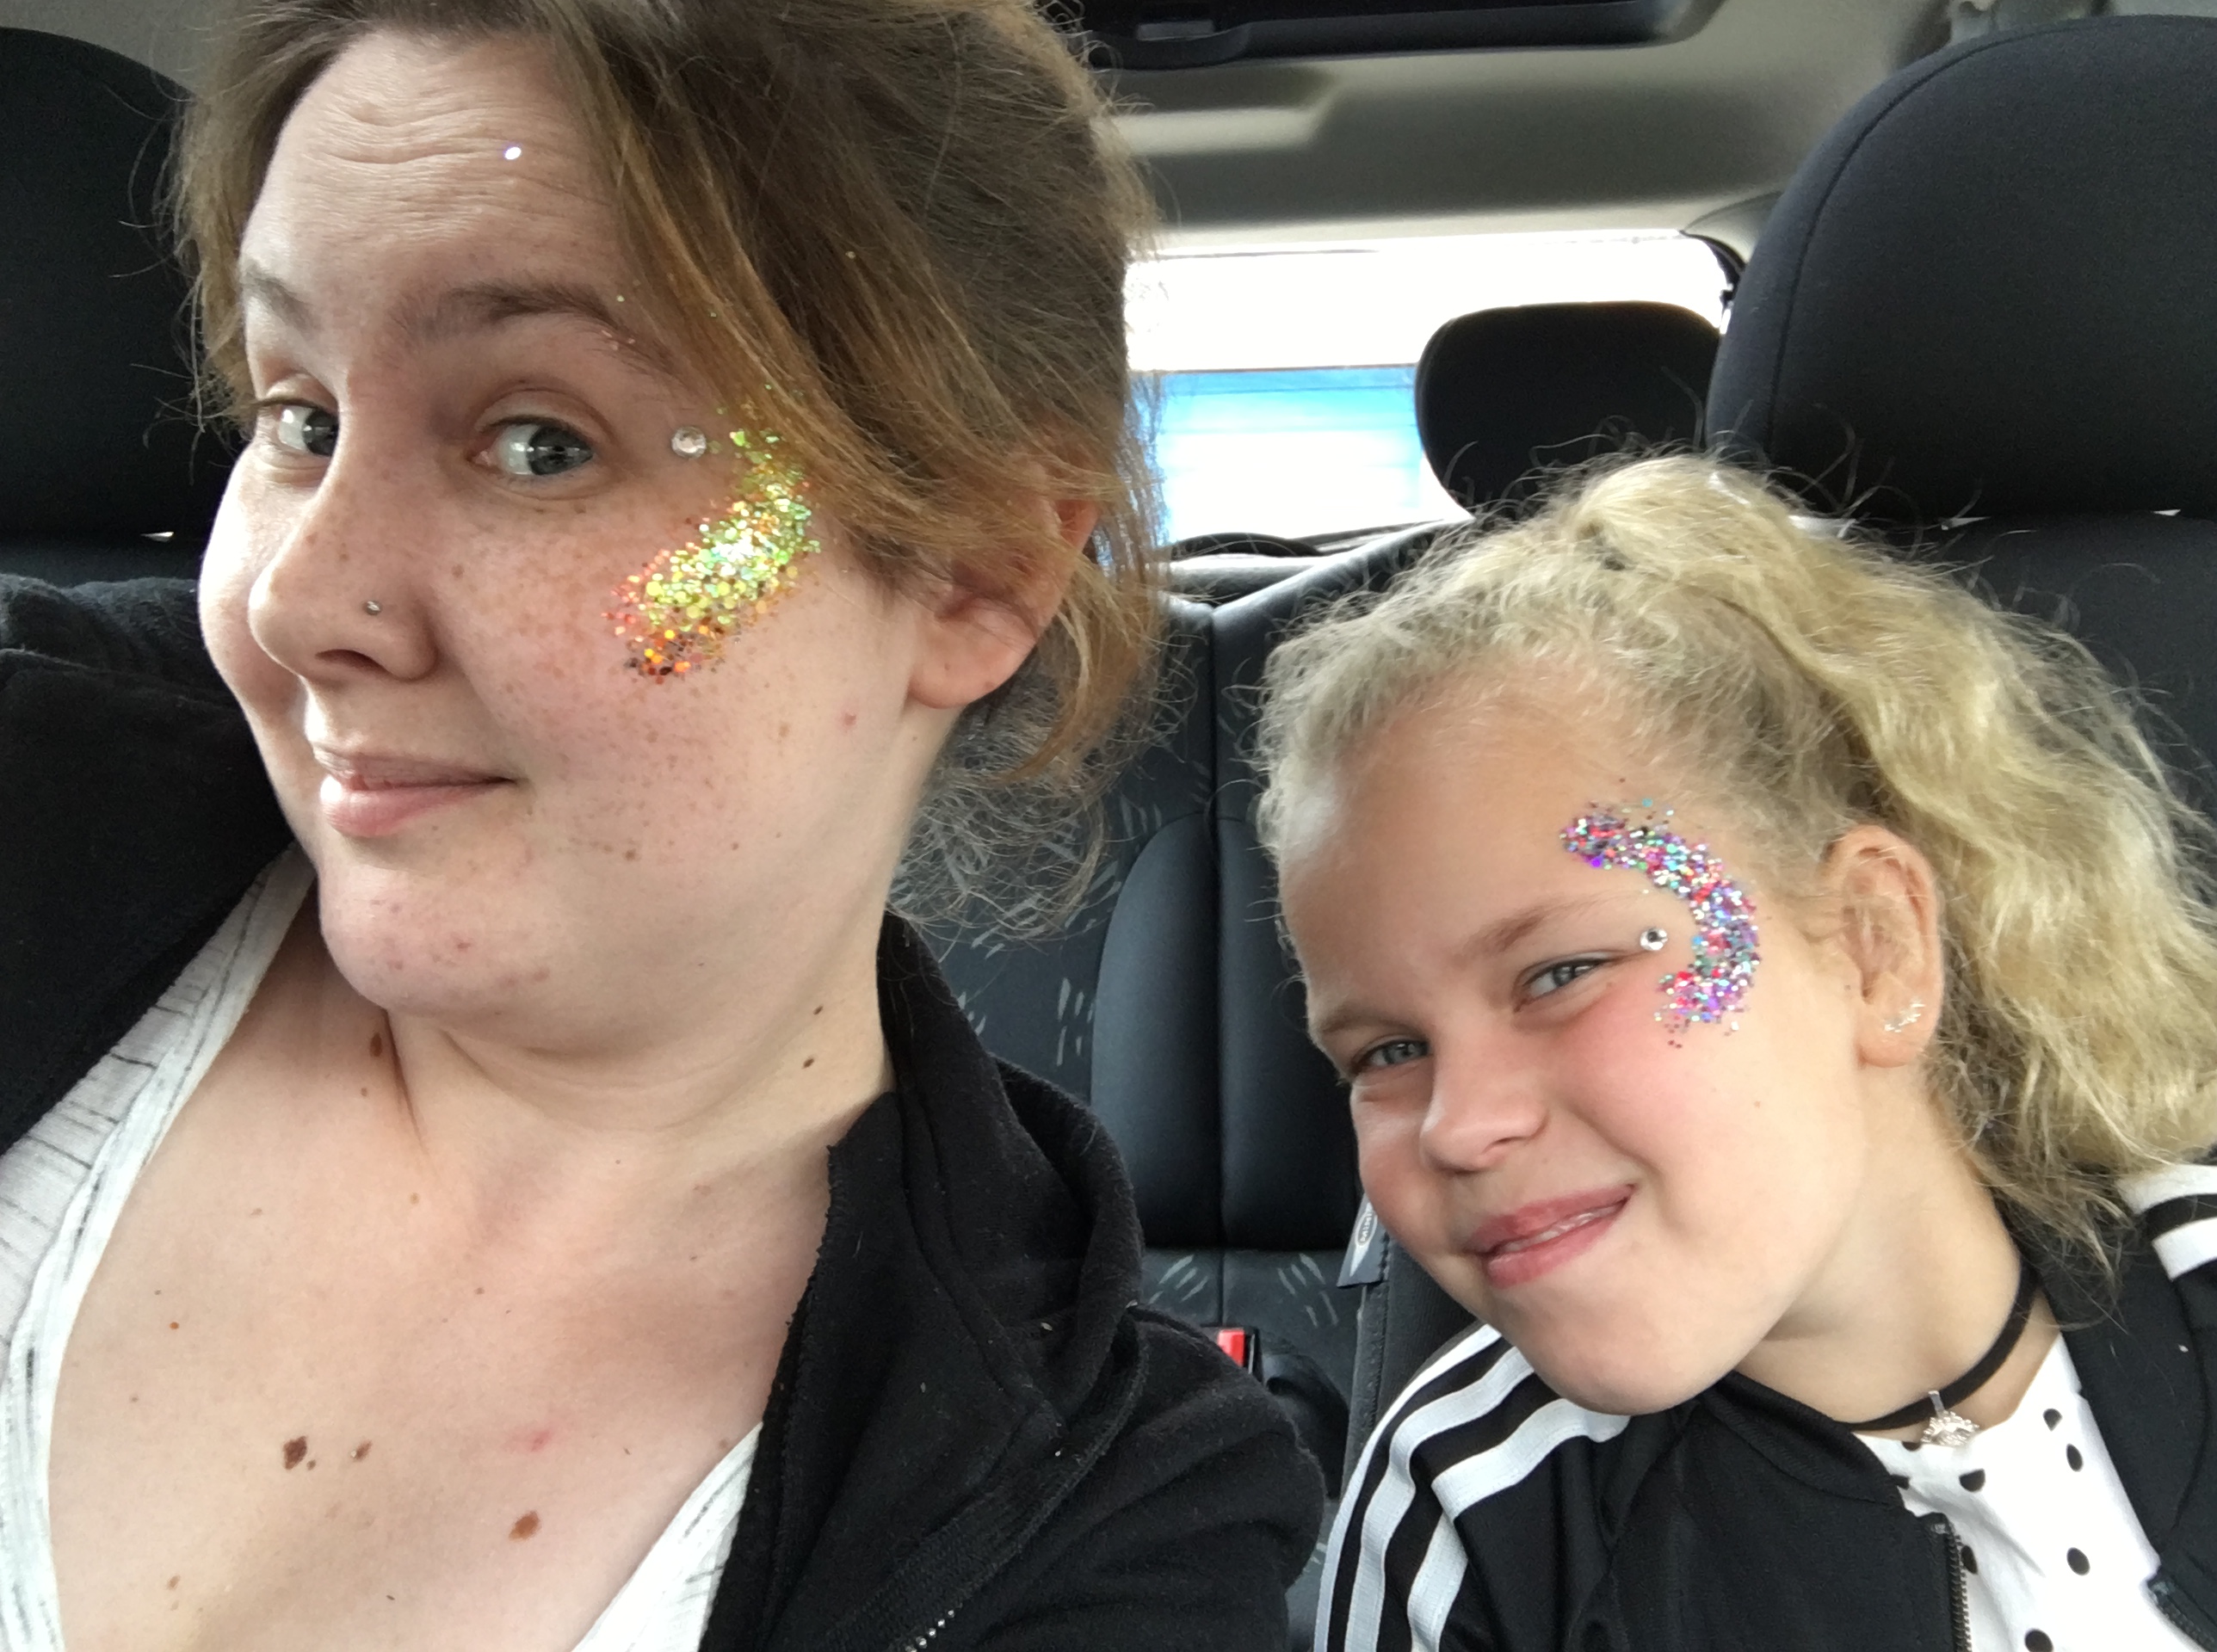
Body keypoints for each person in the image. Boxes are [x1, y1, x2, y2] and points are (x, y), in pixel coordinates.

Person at [0, 1, 1322, 1645]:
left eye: (539, 444)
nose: (298, 599)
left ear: (976, 569)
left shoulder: (1093, 1507)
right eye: (301, 419)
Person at [1255, 456, 2217, 1652]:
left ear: (1871, 947)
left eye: (1560, 974)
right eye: (1389, 1050)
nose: (1457, 1126)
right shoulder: (1470, 1522)